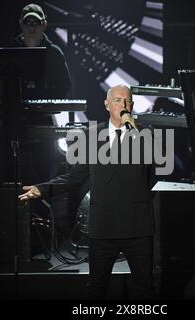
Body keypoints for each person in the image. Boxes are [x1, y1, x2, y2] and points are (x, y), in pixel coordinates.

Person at [19, 85, 157, 300]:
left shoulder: (146, 135)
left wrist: (134, 133)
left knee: (145, 288)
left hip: (137, 226)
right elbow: (75, 177)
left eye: (128, 101)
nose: (124, 105)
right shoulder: (92, 136)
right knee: (96, 288)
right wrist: (43, 189)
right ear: (107, 104)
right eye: (118, 100)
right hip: (104, 226)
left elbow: (150, 174)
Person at [13, 3, 72, 99]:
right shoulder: (11, 52)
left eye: (36, 23)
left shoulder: (54, 53)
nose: (32, 27)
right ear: (21, 24)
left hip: (44, 113)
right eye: (27, 23)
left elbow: (65, 84)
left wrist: (48, 103)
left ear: (44, 25)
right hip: (15, 112)